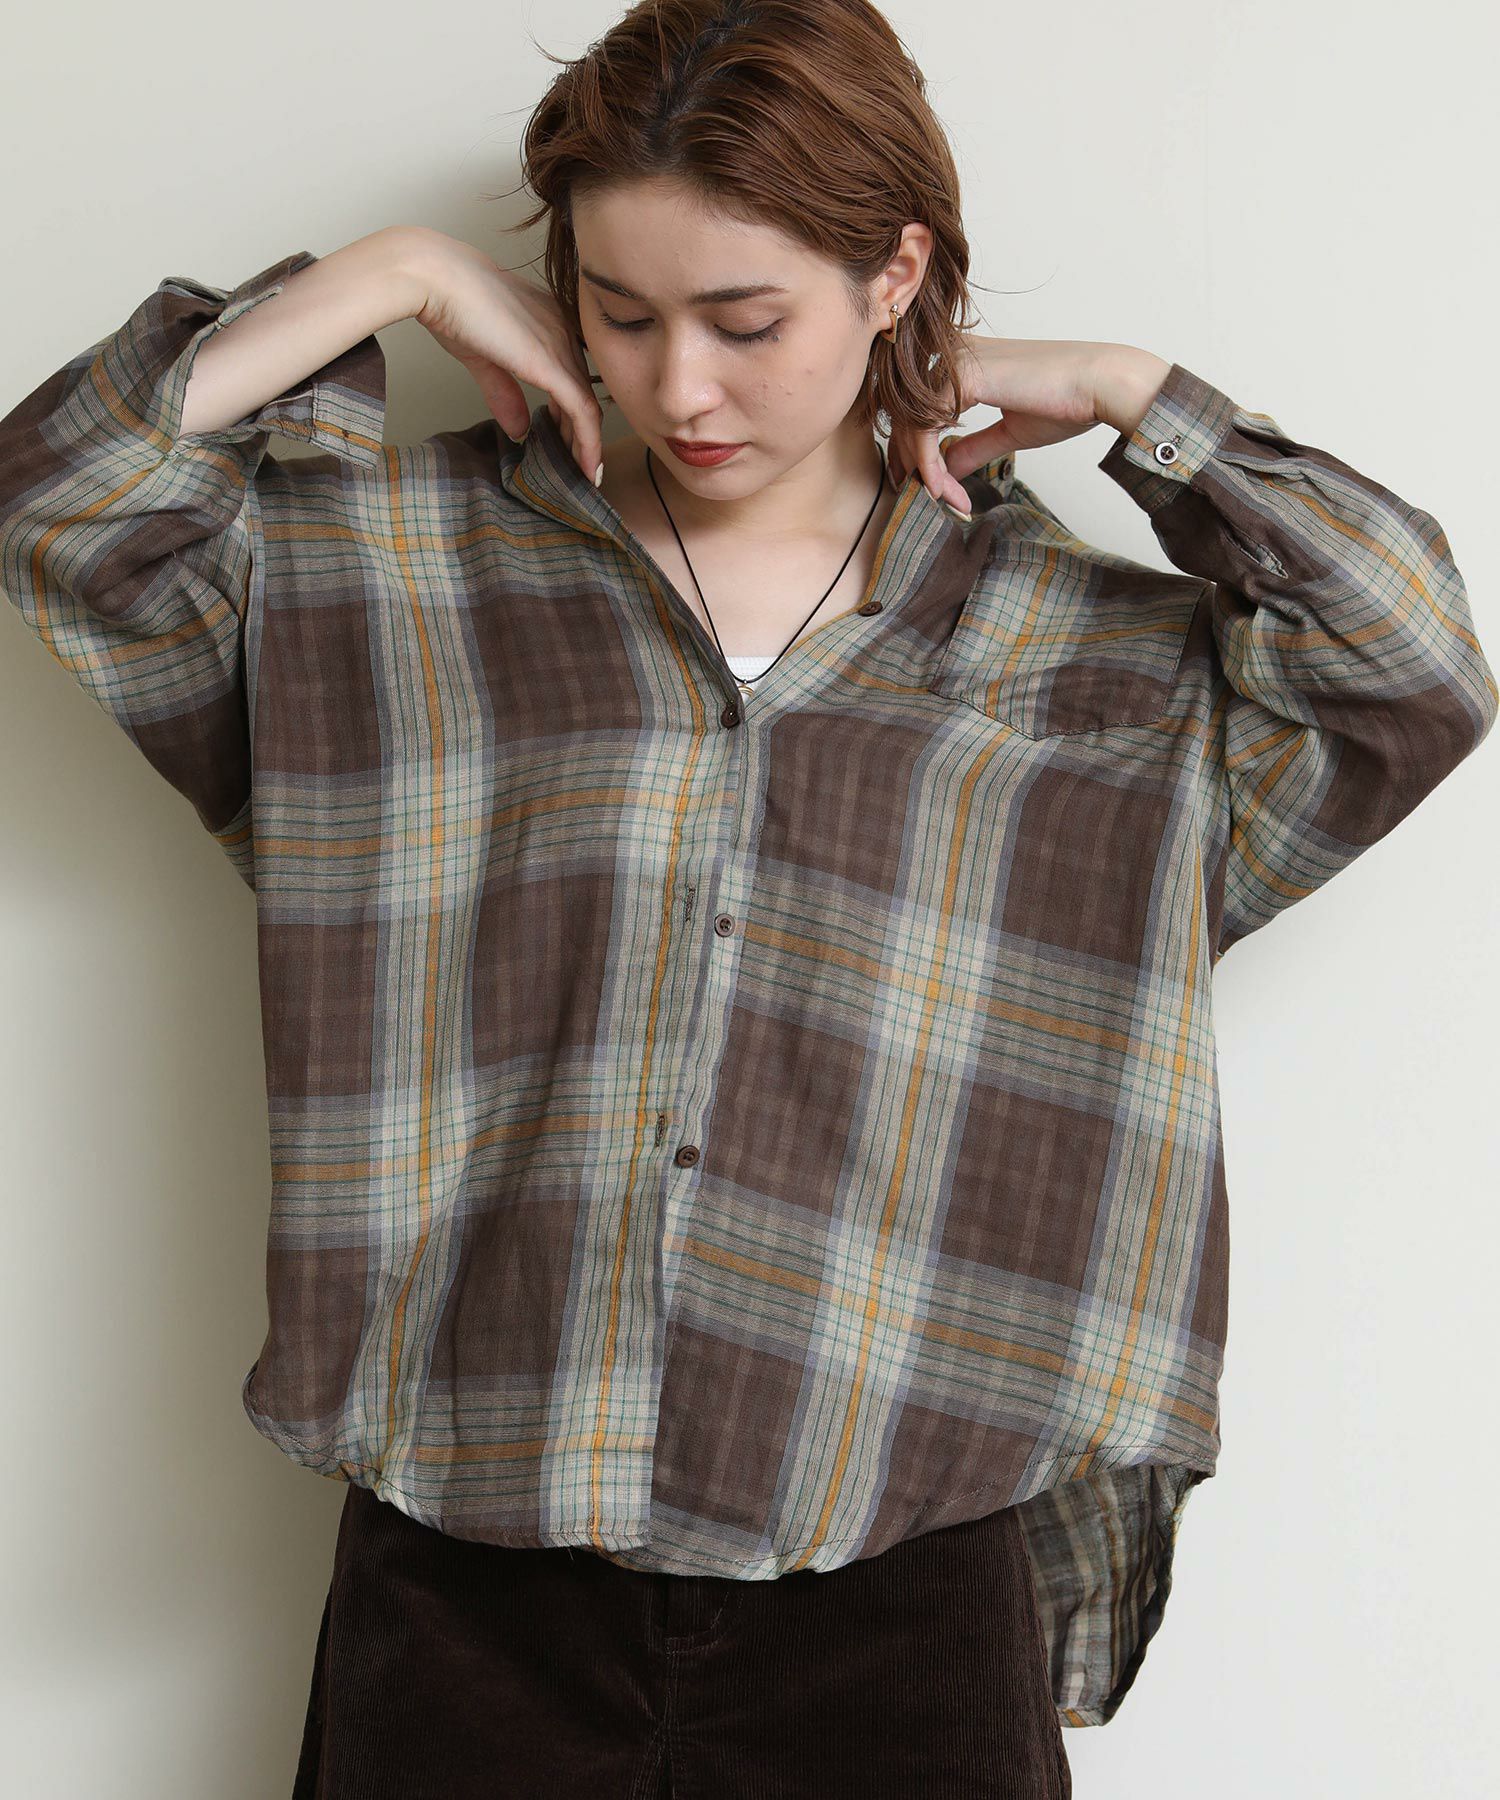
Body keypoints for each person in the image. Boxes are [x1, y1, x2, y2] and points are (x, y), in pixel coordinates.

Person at [1, 3, 1493, 1797]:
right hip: (468, 1593)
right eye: (619, 313)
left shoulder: (1096, 662)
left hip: (904, 1598)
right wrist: (394, 275)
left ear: (895, 276)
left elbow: (1410, 667)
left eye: (746, 320)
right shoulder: (387, 575)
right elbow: (66, 506)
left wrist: (1124, 390)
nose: (681, 390)